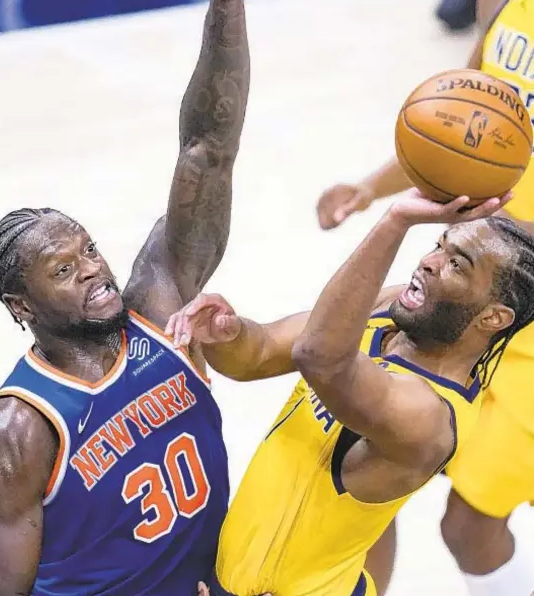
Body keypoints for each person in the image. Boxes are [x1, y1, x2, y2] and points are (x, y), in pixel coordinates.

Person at [0, 0, 250, 595]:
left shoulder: (154, 305)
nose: (92, 270)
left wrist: (225, 9)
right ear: (21, 306)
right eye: (63, 269)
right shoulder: (20, 427)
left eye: (88, 250)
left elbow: (207, 150)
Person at [166, 188, 534, 596]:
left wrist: (396, 221)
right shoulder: (394, 309)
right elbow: (258, 354)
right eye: (437, 247)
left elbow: (320, 358)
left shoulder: (428, 416)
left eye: (456, 266)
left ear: (494, 317)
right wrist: (228, 333)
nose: (429, 263)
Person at [316, 0, 534, 595]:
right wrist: (370, 187)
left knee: (469, 526)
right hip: (462, 291)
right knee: (361, 466)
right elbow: (463, 128)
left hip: (526, 305)